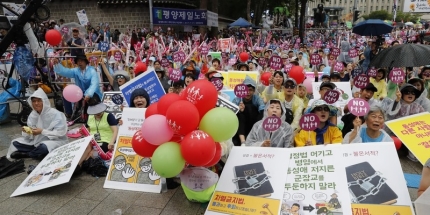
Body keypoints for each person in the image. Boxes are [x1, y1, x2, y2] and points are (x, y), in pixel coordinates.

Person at [7, 89, 68, 159]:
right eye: (34, 101)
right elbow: (30, 134)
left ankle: (28, 154)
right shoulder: (33, 115)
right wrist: (28, 132)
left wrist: (42, 131)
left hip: (54, 141)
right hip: (36, 141)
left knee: (44, 147)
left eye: (39, 101)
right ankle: (37, 153)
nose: (36, 103)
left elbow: (60, 133)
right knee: (15, 142)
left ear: (44, 102)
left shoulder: (56, 114)